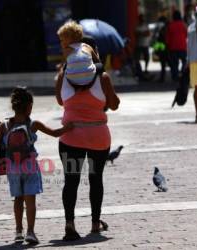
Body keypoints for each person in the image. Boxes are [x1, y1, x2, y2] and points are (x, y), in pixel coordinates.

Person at [56, 22, 120, 241]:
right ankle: (95, 224)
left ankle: (70, 225)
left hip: (70, 136)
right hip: (98, 138)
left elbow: (59, 101)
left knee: (70, 181)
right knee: (96, 179)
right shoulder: (103, 78)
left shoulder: (63, 76)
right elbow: (114, 105)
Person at [0, 87, 73, 244]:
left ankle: (18, 231)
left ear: (14, 106)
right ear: (29, 106)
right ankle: (30, 232)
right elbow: (56, 133)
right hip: (29, 166)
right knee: (30, 200)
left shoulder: (5, 125)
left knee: (17, 199)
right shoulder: (33, 124)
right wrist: (68, 127)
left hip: (13, 168)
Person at [57, 20, 100, 86]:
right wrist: (96, 53)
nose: (61, 43)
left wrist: (60, 66)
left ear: (68, 39)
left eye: (62, 40)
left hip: (72, 81)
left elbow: (63, 65)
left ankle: (59, 96)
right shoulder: (87, 47)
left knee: (60, 74)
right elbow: (97, 61)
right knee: (100, 67)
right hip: (91, 79)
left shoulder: (66, 51)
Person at [166, 10, 187, 82]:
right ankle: (183, 74)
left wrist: (167, 46)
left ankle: (175, 76)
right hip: (182, 46)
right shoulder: (183, 25)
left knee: (174, 63)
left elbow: (168, 38)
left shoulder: (170, 25)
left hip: (173, 47)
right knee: (184, 61)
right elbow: (187, 35)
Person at [152, 16, 169, 82]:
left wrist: (156, 49)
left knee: (163, 62)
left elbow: (158, 39)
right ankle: (165, 77)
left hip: (163, 47)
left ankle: (163, 77)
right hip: (166, 47)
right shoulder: (165, 27)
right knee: (166, 62)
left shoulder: (161, 28)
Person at [134, 14, 151, 79]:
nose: (142, 19)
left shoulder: (146, 26)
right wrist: (143, 33)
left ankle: (145, 69)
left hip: (145, 44)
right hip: (139, 45)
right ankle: (139, 71)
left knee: (146, 58)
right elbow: (136, 34)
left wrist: (141, 33)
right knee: (137, 59)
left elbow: (148, 33)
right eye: (141, 18)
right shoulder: (137, 26)